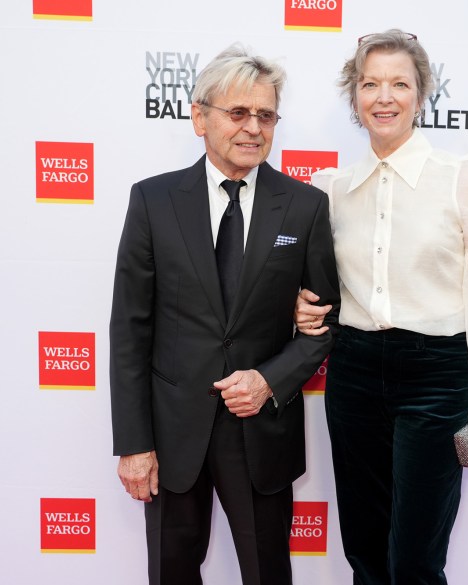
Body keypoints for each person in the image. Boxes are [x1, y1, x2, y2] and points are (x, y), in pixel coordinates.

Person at [294, 30, 468, 585]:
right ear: (353, 96)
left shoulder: (462, 178)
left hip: (436, 373)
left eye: (399, 83)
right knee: (365, 550)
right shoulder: (330, 189)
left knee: (415, 558)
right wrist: (301, 308)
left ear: (421, 94)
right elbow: (317, 288)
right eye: (370, 83)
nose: (384, 96)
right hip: (352, 372)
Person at [109, 44, 340, 585]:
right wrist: (134, 443)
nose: (253, 128)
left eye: (266, 115)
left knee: (267, 572)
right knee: (171, 572)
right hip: (171, 434)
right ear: (200, 117)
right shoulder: (153, 201)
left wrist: (268, 379)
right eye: (238, 113)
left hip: (261, 430)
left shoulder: (305, 206)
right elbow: (129, 331)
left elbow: (323, 323)